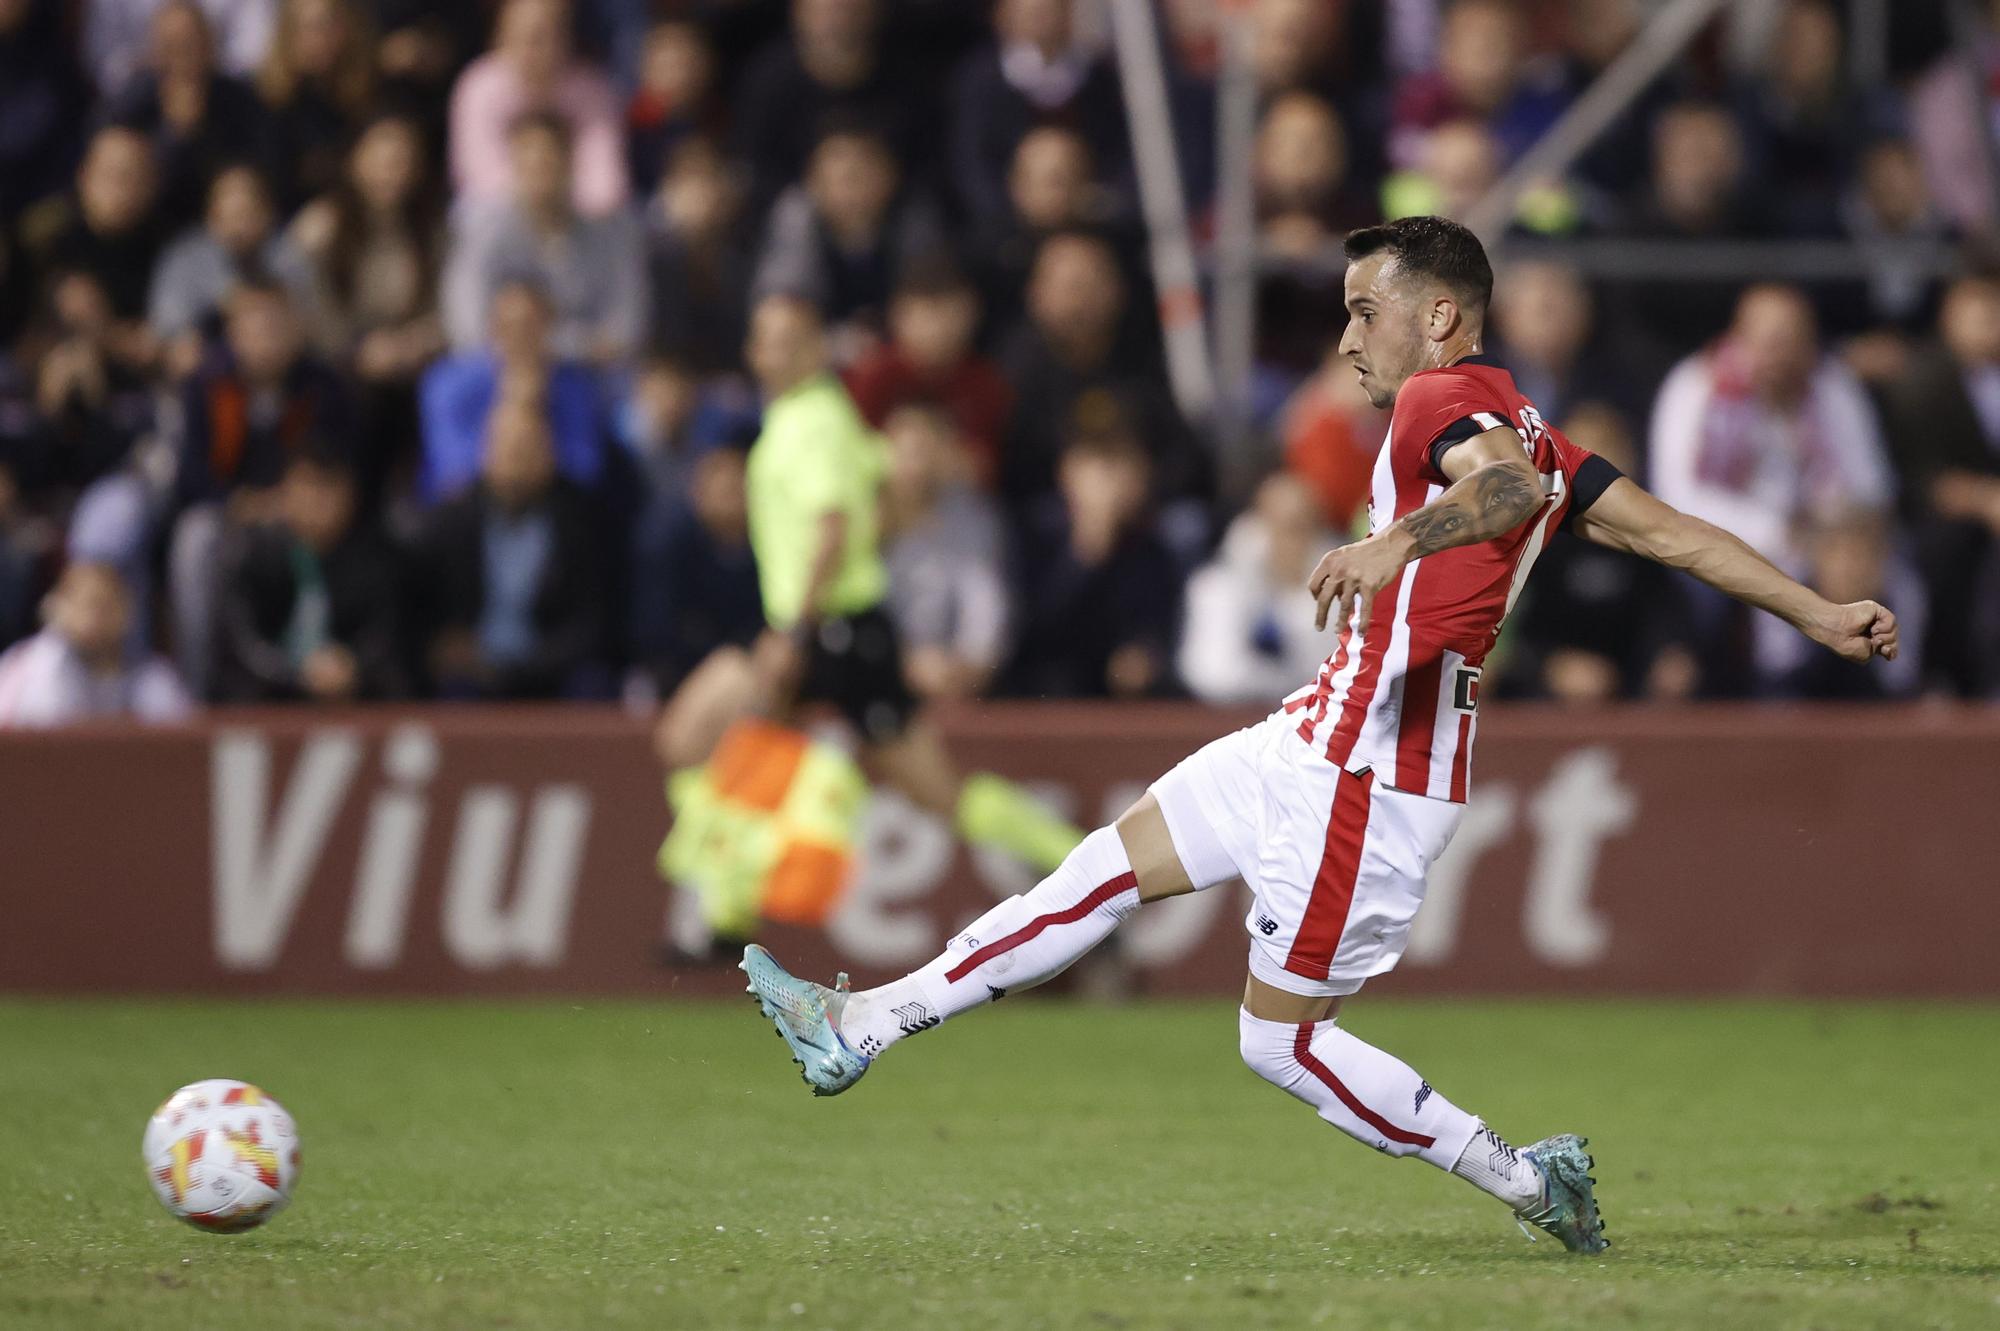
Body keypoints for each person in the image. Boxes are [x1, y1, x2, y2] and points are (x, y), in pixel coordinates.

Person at [742, 216, 1899, 1253]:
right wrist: (1818, 608)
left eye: (1363, 308)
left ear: (1435, 316)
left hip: (1369, 777)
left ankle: (1518, 1175)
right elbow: (1671, 533)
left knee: (1275, 1042)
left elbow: (1497, 494)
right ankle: (865, 1022)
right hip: (1310, 738)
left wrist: (1390, 546)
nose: (1347, 336)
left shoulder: (1444, 405)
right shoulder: (1532, 428)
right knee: (1097, 868)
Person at [657, 293, 1084, 894]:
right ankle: (731, 903)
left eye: (791, 339)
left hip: (831, 630)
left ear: (814, 349)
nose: (777, 352)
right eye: (767, 339)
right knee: (726, 747)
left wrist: (794, 632)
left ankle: (737, 892)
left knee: (696, 739)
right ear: (752, 352)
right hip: (839, 628)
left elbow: (830, 531)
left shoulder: (813, 425)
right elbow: (884, 494)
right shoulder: (818, 417)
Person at [409, 397, 608, 698]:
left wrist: (524, 669)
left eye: (529, 448)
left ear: (551, 453)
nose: (517, 461)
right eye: (508, 447)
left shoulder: (580, 521)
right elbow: (426, 611)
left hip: (551, 669)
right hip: (469, 672)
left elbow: (590, 623)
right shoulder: (449, 522)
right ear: (485, 451)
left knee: (593, 686)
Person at [441, 110, 646, 366]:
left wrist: (539, 344)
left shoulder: (610, 234)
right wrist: (575, 345)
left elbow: (624, 333)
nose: (540, 176)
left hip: (589, 378)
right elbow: (467, 329)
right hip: (500, 370)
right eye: (529, 165)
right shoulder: (483, 233)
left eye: (549, 163)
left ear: (571, 163)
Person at [215, 447, 406, 702]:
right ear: (285, 490)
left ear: (350, 496)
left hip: (351, 701)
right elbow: (241, 644)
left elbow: (383, 636)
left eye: (329, 488)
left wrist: (351, 664)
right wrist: (296, 672)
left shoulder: (373, 559)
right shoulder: (253, 554)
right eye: (308, 485)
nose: (317, 501)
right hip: (268, 701)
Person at [1178, 472, 1336, 706]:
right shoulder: (1217, 587)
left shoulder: (1340, 593)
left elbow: (1340, 675)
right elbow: (1214, 674)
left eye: (1304, 526)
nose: (1294, 540)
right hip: (1224, 725)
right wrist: (1289, 677)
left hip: (1310, 725)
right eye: (1283, 525)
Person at [0, 562, 192, 726]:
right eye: (85, 604)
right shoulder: (31, 666)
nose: (94, 617)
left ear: (127, 611)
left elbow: (178, 745)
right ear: (55, 607)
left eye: (106, 605)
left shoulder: (153, 677)